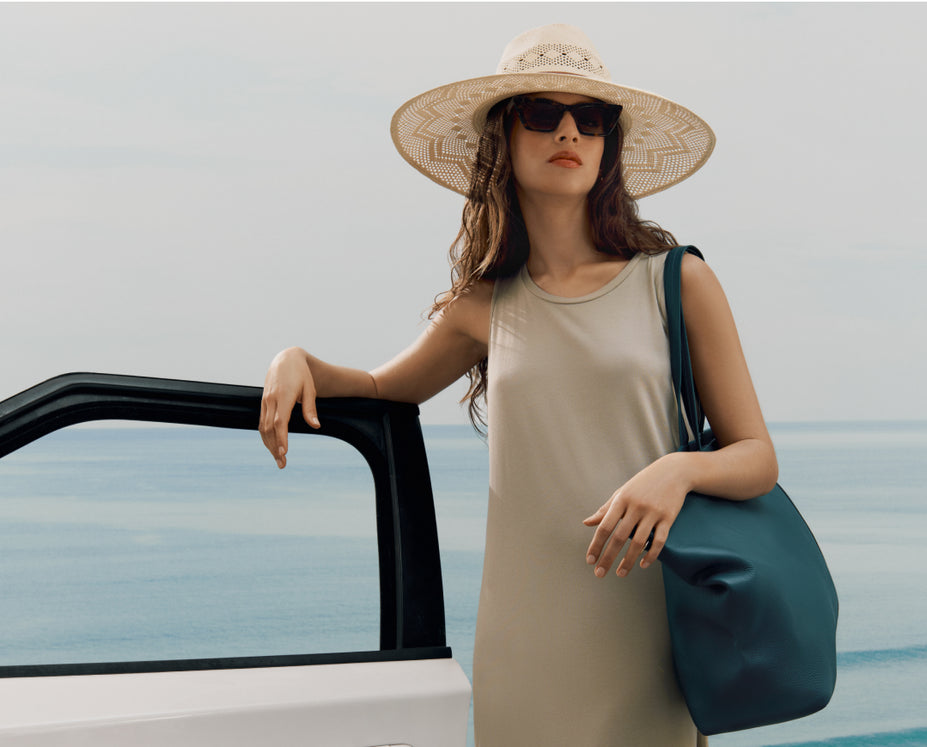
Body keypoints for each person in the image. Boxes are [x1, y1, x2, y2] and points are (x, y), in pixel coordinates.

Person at [260, 24, 777, 747]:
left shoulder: (678, 282)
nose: (568, 129)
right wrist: (298, 359)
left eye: (589, 118)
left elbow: (757, 456)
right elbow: (383, 387)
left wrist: (678, 471)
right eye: (542, 112)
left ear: (607, 145)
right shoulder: (482, 305)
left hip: (646, 638)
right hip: (522, 646)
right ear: (505, 136)